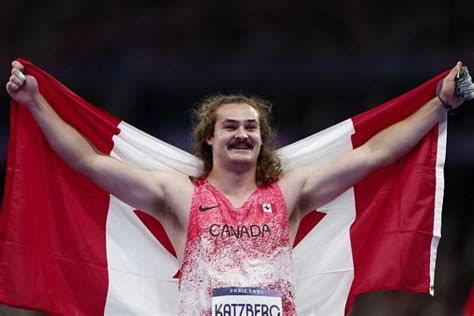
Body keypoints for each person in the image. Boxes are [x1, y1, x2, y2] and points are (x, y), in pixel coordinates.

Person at [5, 60, 470, 315]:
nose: (242, 134)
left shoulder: (290, 192)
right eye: (230, 126)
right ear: (210, 137)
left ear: (263, 138)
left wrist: (439, 105)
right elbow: (87, 161)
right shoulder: (179, 194)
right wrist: (36, 102)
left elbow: (374, 155)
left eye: (251, 126)